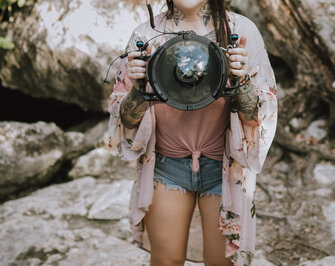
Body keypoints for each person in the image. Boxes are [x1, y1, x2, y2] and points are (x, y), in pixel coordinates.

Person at [106, 0, 278, 265]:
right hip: (165, 167)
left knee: (221, 263)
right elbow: (126, 121)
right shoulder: (145, 35)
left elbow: (257, 119)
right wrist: (137, 88)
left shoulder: (241, 32)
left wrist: (242, 80)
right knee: (166, 261)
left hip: (223, 169)